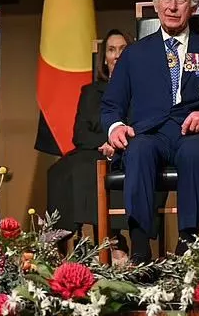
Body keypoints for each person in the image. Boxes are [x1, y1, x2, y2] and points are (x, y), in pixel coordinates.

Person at [101, 0, 199, 261]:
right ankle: (140, 248)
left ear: (192, 7)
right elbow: (111, 105)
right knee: (138, 148)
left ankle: (188, 242)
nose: (172, 5)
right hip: (150, 134)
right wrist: (116, 127)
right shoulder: (134, 55)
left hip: (194, 135)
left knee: (196, 150)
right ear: (155, 5)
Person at [47, 29, 134, 254]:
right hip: (93, 148)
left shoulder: (140, 89)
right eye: (111, 50)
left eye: (122, 50)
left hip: (127, 149)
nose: (116, 55)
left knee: (99, 168)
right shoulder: (90, 92)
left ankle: (114, 240)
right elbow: (79, 133)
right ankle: (61, 240)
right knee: (61, 170)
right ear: (104, 58)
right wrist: (102, 144)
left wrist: (114, 143)